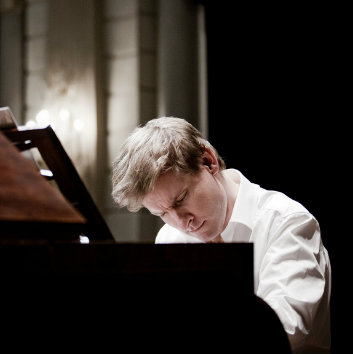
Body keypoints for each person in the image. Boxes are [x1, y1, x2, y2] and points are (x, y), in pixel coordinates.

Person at [111, 117, 331, 353]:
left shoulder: (287, 222)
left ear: (208, 161)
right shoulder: (170, 238)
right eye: (162, 212)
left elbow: (284, 331)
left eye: (181, 199)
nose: (181, 222)